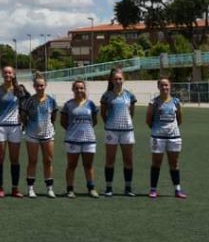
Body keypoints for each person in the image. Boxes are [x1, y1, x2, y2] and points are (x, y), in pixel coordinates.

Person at [0, 65, 29, 198]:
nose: (7, 74)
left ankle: (15, 188)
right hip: (0, 127)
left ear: (13, 74)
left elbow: (27, 103)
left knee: (14, 159)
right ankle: (0, 188)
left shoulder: (19, 89)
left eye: (9, 72)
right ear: (2, 74)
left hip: (15, 127)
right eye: (5, 72)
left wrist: (23, 117)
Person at [146, 77, 187, 199]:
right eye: (162, 85)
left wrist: (171, 130)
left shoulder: (176, 102)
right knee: (156, 163)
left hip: (174, 137)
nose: (164, 87)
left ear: (170, 86)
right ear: (158, 87)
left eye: (166, 85)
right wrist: (157, 130)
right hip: (158, 137)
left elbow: (179, 119)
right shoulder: (154, 102)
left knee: (174, 163)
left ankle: (177, 190)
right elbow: (148, 120)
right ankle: (153, 189)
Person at [100, 68, 137, 197]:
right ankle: (109, 188)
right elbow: (103, 114)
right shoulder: (107, 95)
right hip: (112, 131)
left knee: (128, 160)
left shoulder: (130, 95)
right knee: (110, 159)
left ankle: (128, 188)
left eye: (120, 79)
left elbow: (131, 113)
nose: (118, 81)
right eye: (115, 79)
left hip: (127, 131)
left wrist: (125, 123)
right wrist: (110, 124)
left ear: (123, 80)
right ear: (111, 80)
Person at [20, 73, 58, 198]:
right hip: (32, 134)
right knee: (32, 160)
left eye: (42, 85)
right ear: (34, 86)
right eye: (37, 85)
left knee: (48, 161)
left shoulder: (51, 100)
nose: (40, 87)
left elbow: (53, 117)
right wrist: (28, 126)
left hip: (47, 134)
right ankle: (31, 188)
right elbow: (23, 116)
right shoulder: (29, 101)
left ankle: (49, 188)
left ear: (45, 85)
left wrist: (48, 126)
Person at [61, 79, 99, 198]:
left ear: (84, 89)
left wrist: (85, 129)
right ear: (73, 89)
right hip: (72, 139)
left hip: (89, 139)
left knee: (88, 165)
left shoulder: (91, 104)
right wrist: (74, 130)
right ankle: (70, 189)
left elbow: (94, 120)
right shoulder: (68, 105)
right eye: (76, 88)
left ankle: (91, 188)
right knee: (71, 165)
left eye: (81, 88)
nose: (79, 90)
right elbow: (63, 122)